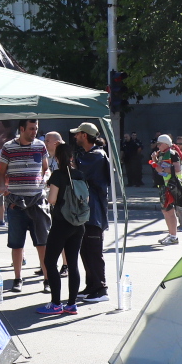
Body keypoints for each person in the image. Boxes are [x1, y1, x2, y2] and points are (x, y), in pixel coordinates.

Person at [36, 132, 85, 316]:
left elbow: (52, 199)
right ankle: (72, 304)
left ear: (57, 157)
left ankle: (56, 303)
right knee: (73, 263)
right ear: (71, 157)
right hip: (78, 224)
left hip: (61, 222)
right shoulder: (80, 174)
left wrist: (52, 192)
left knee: (50, 261)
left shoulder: (57, 175)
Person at [0, 119, 51, 287]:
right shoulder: (8, 147)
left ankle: (47, 279)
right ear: (21, 129)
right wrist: (1, 186)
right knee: (16, 243)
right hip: (16, 202)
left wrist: (47, 177)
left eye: (36, 128)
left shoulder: (40, 146)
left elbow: (46, 168)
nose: (34, 131)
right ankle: (17, 279)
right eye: (31, 129)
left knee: (42, 243)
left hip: (37, 201)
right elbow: (1, 172)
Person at [69, 124, 113, 300]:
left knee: (94, 252)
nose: (75, 137)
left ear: (85, 136)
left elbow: (77, 172)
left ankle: (101, 289)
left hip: (94, 212)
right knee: (86, 250)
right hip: (87, 211)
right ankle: (91, 286)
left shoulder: (96, 155)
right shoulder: (90, 155)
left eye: (77, 134)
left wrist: (65, 157)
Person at [149, 133, 182, 237]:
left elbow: (177, 169)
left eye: (159, 144)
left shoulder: (172, 153)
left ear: (166, 144)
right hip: (163, 185)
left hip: (170, 186)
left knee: (169, 211)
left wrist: (160, 169)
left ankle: (173, 236)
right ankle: (171, 234)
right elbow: (161, 165)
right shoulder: (163, 153)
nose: (158, 146)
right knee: (166, 211)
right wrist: (155, 160)